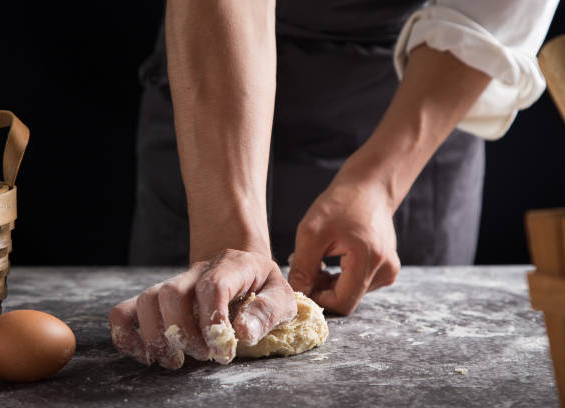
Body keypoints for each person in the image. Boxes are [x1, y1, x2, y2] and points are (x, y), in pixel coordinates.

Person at [111, 0, 559, 369]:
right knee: (183, 336)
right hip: (216, 75)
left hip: (426, 81)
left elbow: (493, 15)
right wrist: (226, 238)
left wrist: (379, 184)